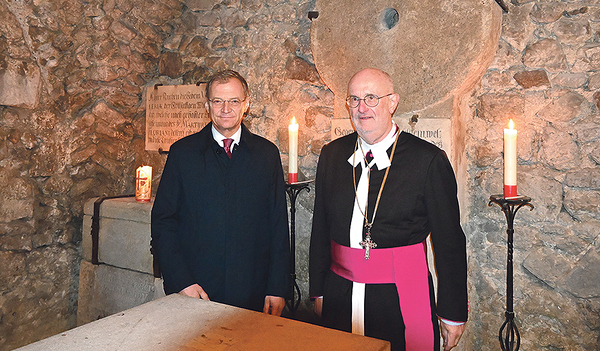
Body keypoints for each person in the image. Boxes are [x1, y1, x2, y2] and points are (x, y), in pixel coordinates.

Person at [309, 68, 468, 350]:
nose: (361, 108)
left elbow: (449, 242)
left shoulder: (427, 160)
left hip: (400, 295)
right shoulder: (332, 155)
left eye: (371, 98)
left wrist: (453, 313)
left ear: (392, 102)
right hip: (339, 291)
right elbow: (320, 228)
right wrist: (318, 290)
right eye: (354, 99)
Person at [151, 69, 290, 316]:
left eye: (234, 101)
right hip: (196, 292)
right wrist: (182, 282)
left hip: (253, 292)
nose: (226, 108)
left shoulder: (266, 155)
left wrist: (277, 287)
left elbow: (278, 224)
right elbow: (163, 222)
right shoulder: (183, 154)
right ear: (207, 105)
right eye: (218, 101)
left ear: (246, 105)